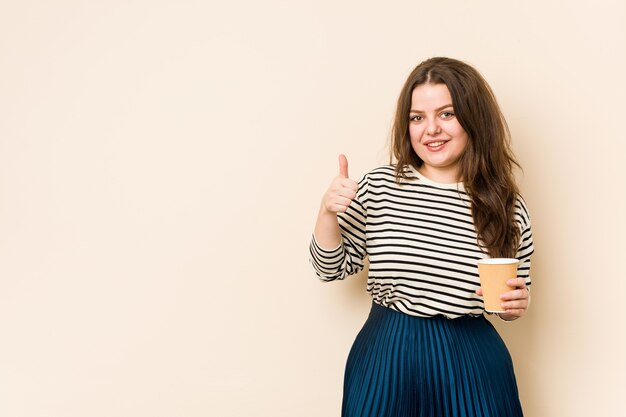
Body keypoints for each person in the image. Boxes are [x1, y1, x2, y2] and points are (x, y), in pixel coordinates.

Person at [309, 57, 534, 417]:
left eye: (446, 114)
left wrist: (516, 305)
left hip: (472, 359)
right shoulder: (381, 186)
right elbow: (329, 268)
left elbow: (511, 299)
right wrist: (327, 212)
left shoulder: (506, 206)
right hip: (387, 354)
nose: (430, 129)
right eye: (417, 117)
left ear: (474, 118)